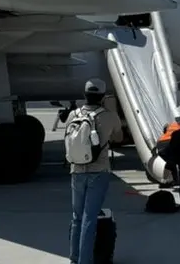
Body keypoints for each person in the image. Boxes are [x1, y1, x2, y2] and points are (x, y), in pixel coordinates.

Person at [66, 79, 123, 264]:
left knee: (77, 217)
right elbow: (118, 137)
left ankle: (74, 258)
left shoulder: (73, 114)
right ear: (103, 97)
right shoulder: (109, 115)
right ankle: (85, 261)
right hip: (99, 169)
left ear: (85, 95)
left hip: (76, 169)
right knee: (90, 219)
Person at [155, 117, 180, 187]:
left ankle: (165, 181)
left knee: (170, 163)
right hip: (170, 143)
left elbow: (165, 131)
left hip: (160, 144)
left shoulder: (170, 125)